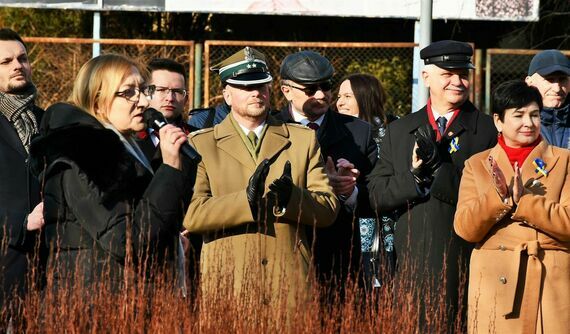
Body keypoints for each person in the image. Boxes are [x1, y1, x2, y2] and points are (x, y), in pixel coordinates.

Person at [183, 47, 338, 309]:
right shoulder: (201, 143)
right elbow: (192, 214)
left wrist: (293, 198)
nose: (256, 92)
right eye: (245, 87)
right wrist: (245, 201)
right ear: (227, 95)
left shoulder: (302, 139)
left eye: (262, 85)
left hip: (288, 285)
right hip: (227, 283)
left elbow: (328, 210)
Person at [28, 54, 196, 289]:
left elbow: (154, 213)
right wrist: (168, 170)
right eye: (128, 93)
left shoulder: (128, 149)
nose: (143, 102)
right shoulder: (85, 155)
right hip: (96, 306)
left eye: (143, 90)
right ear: (97, 101)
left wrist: (172, 165)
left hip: (127, 300)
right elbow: (127, 242)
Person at [367, 40, 497, 330]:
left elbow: (492, 198)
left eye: (463, 73)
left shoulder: (488, 130)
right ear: (426, 77)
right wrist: (414, 178)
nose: (457, 81)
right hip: (410, 266)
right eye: (447, 73)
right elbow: (375, 194)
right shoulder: (400, 130)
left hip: (466, 263)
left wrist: (441, 171)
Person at [454, 80, 570, 333]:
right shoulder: (477, 164)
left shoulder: (564, 160)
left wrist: (525, 203)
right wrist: (501, 199)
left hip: (549, 279)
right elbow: (465, 228)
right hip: (496, 281)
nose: (528, 123)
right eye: (518, 115)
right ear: (498, 121)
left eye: (534, 115)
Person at [276, 51, 377, 287]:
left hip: (340, 262)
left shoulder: (359, 132)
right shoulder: (271, 129)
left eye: (327, 86)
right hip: (285, 254)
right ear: (286, 90)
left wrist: (348, 191)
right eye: (311, 89)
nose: (322, 95)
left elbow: (376, 192)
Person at [336, 73, 398, 287]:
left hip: (386, 223)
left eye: (347, 96)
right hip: (348, 224)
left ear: (365, 96)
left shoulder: (392, 131)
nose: (340, 102)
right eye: (339, 96)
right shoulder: (338, 132)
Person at [0, 28, 45, 306]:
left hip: (49, 270)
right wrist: (21, 224)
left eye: (22, 58)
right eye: (5, 62)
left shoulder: (47, 120)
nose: (18, 65)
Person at [137, 58, 195, 164]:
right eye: (161, 90)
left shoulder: (197, 138)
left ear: (186, 99)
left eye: (177, 91)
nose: (170, 98)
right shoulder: (128, 137)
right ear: (145, 92)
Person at [525, 49, 570, 149]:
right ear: (529, 81)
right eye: (549, 79)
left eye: (563, 79)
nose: (557, 88)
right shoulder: (517, 124)